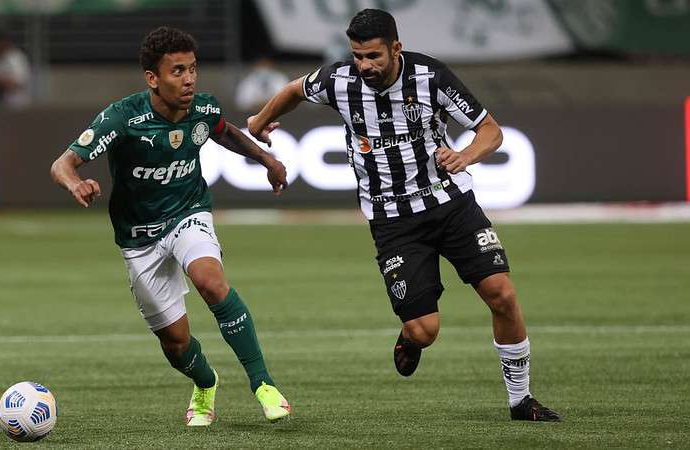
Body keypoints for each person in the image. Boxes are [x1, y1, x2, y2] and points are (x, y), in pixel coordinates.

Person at [248, 9, 560, 422]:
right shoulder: (340, 80)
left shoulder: (431, 78)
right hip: (393, 221)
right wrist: (261, 119)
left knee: (501, 293)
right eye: (358, 55)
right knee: (424, 331)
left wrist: (464, 155)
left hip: (451, 204)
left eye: (373, 56)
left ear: (396, 48)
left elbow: (491, 130)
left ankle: (521, 400)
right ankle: (410, 337)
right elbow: (295, 89)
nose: (365, 65)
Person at [50, 26, 291, 426]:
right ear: (152, 78)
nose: (189, 79)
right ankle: (206, 382)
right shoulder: (123, 118)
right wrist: (77, 183)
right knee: (175, 343)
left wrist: (266, 159)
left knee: (211, 282)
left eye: (193, 69)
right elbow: (63, 163)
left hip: (188, 212)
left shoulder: (203, 108)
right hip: (139, 237)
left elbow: (225, 132)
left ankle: (263, 384)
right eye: (178, 71)